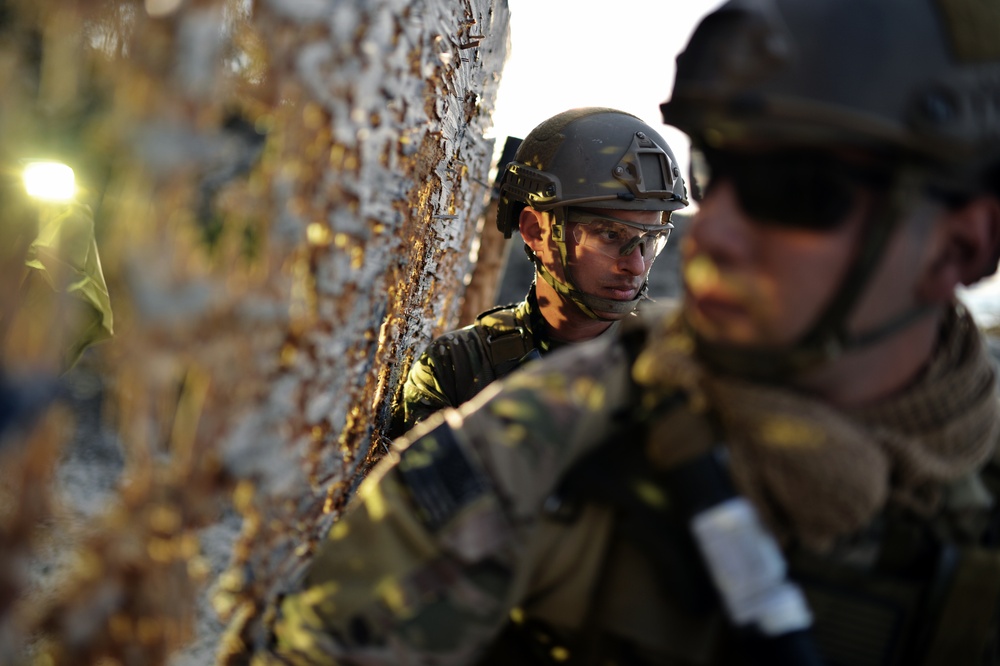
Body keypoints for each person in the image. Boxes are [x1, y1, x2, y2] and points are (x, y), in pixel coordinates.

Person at [253, 0, 1000, 664]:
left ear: (961, 248)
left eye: (790, 191)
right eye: (716, 174)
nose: (711, 238)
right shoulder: (527, 446)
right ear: (542, 233)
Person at [388, 107, 688, 437]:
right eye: (610, 234)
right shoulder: (458, 367)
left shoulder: (685, 364)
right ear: (536, 230)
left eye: (651, 239)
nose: (636, 265)